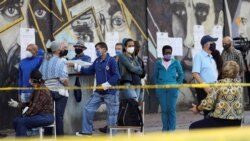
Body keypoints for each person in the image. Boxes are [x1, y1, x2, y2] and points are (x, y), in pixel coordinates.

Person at [68, 42, 120, 136]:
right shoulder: (97, 61)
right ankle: (87, 131)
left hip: (110, 92)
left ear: (104, 49)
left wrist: (105, 85)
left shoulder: (111, 60)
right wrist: (76, 66)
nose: (96, 51)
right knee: (88, 108)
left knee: (112, 115)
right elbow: (89, 71)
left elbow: (116, 76)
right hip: (99, 92)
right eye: (96, 49)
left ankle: (112, 135)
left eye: (98, 49)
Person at [190, 61, 243, 129]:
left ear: (223, 71)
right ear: (236, 72)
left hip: (221, 121)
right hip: (237, 122)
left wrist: (197, 108)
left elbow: (209, 102)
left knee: (193, 127)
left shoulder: (219, 84)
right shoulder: (239, 85)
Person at [9, 70, 54, 137]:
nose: (29, 80)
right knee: (16, 121)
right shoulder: (36, 89)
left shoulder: (42, 90)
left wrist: (24, 115)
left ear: (34, 80)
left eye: (30, 79)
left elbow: (35, 108)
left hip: (46, 117)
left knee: (21, 122)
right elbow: (30, 104)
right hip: (39, 115)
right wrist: (18, 104)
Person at [39, 41, 69, 136]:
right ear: (57, 50)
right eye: (61, 48)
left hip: (47, 93)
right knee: (59, 117)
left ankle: (47, 136)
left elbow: (40, 77)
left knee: (48, 116)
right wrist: (68, 87)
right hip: (59, 92)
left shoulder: (45, 61)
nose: (62, 49)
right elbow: (63, 79)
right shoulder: (60, 62)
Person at [152, 45, 184, 131]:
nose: (168, 54)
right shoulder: (158, 63)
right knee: (164, 110)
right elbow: (154, 76)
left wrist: (178, 85)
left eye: (170, 53)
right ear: (163, 53)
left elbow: (181, 75)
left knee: (171, 109)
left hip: (173, 89)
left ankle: (172, 131)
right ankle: (165, 130)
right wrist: (158, 86)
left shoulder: (176, 62)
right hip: (161, 90)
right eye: (166, 53)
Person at [192, 35, 218, 118]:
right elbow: (195, 73)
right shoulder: (199, 56)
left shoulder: (211, 57)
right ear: (206, 44)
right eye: (212, 43)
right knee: (208, 113)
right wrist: (205, 86)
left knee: (214, 113)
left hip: (213, 88)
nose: (214, 45)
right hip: (204, 89)